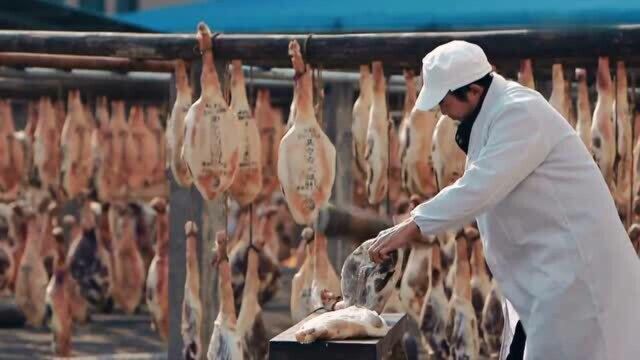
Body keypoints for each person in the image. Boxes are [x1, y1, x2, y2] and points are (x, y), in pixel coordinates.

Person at [367, 40, 640, 359]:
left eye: (443, 100)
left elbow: (480, 186)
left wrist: (414, 225)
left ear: (471, 91)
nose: (441, 109)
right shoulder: (493, 114)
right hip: (546, 283)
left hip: (577, 283)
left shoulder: (519, 111)